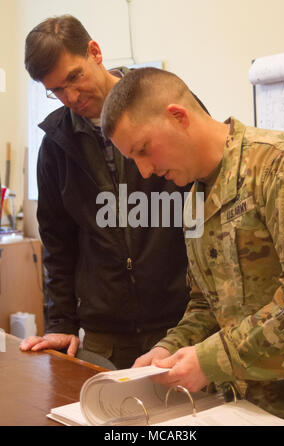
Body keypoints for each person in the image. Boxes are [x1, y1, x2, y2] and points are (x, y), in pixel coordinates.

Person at [100, 67, 284, 421]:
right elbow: (207, 304)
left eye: (144, 150)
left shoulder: (283, 169)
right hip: (240, 407)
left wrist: (211, 360)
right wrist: (169, 348)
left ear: (177, 117)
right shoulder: (193, 202)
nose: (144, 171)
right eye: (133, 160)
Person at [20, 15, 209, 369]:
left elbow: (205, 211)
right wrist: (61, 323)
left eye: (74, 77)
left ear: (95, 52)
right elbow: (58, 246)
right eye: (57, 90)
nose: (71, 97)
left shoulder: (162, 104)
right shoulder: (56, 146)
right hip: (104, 334)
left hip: (182, 321)